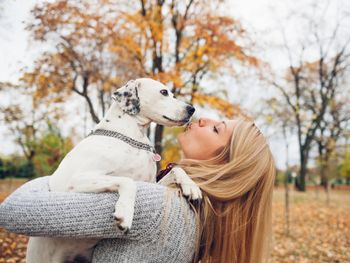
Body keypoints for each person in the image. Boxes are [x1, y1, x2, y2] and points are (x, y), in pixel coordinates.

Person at [0, 117, 275, 263]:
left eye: (216, 129)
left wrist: (58, 176)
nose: (203, 119)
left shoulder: (158, 207)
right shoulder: (200, 221)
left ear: (223, 165)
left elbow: (13, 213)